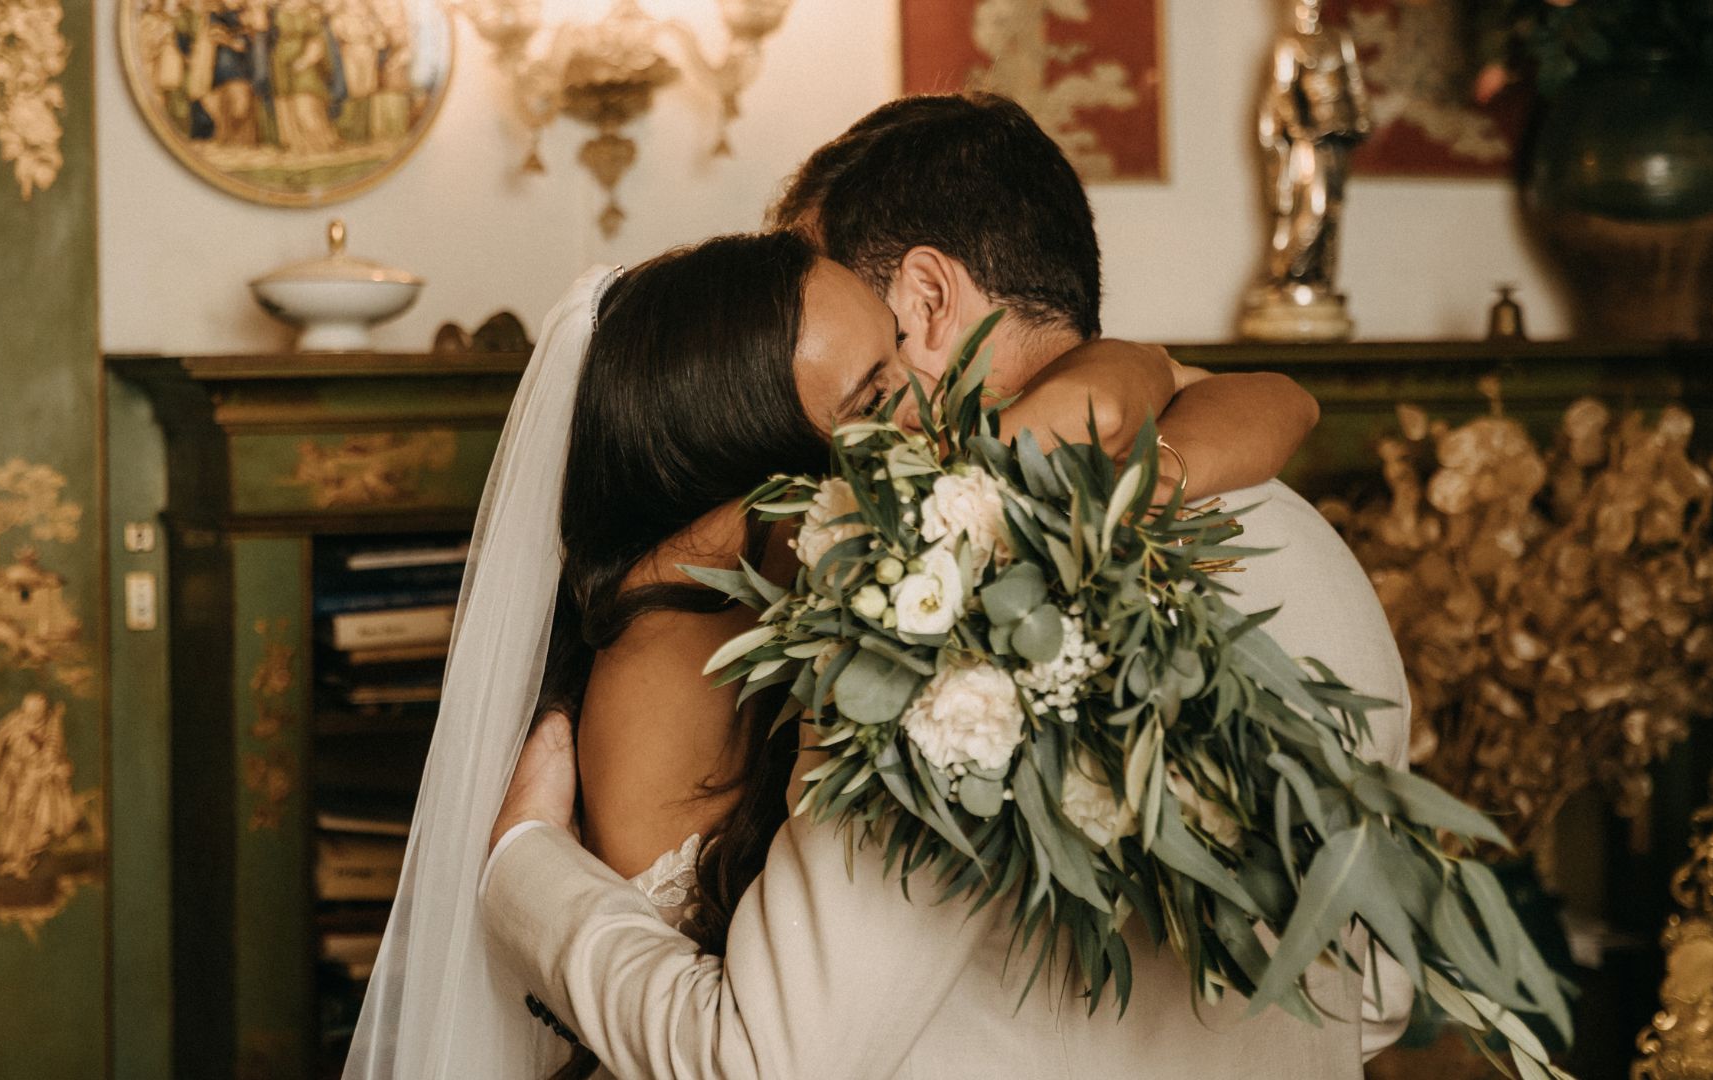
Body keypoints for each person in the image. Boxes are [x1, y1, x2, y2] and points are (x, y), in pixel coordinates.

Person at [474, 94, 1414, 1078]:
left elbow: (761, 1063)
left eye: (862, 353)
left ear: (926, 303)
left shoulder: (926, 598)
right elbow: (1372, 997)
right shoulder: (1311, 546)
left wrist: (525, 866)